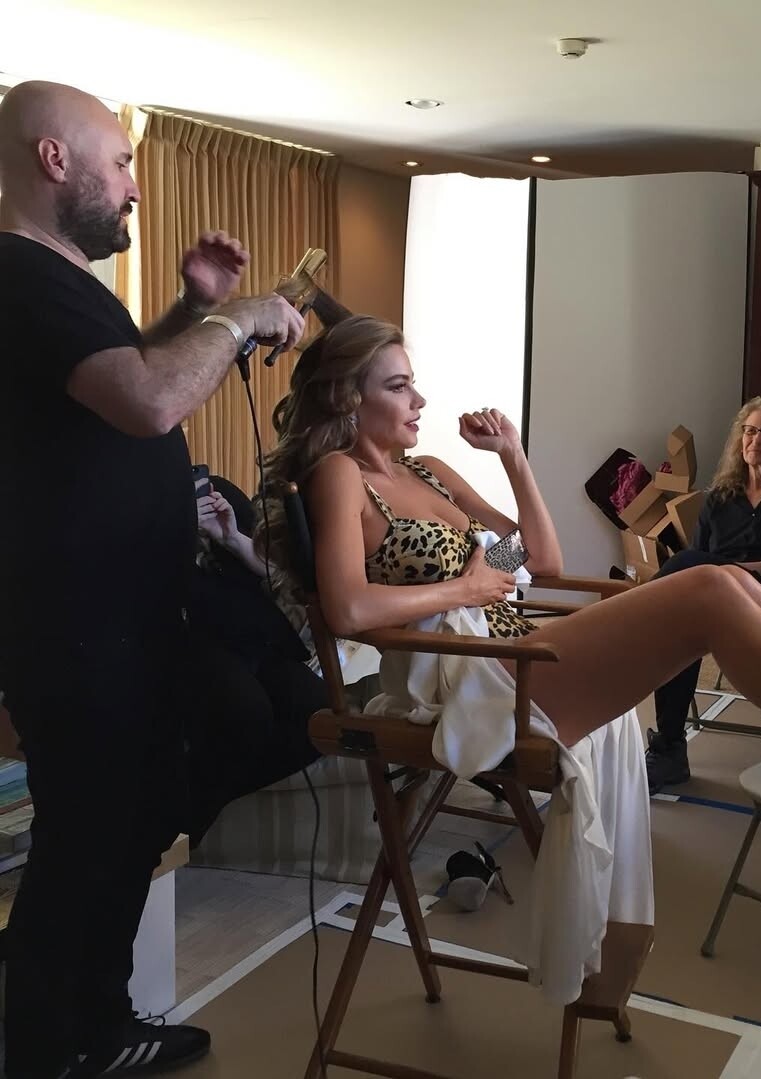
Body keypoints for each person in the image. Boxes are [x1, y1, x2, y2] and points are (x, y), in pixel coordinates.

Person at [260, 315, 761, 830]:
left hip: (514, 650)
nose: (419, 398)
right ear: (347, 396)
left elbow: (536, 560)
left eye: (413, 381)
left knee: (730, 585)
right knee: (713, 589)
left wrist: (513, 458)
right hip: (475, 683)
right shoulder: (340, 476)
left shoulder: (431, 471)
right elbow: (348, 608)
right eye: (399, 385)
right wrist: (467, 588)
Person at [0, 81, 304, 1078]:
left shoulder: (58, 282)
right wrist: (240, 319)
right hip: (79, 631)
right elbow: (147, 399)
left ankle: (98, 1020)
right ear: (55, 160)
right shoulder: (19, 271)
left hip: (119, 622)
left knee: (127, 825)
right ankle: (51, 1046)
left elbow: (116, 373)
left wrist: (193, 309)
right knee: (88, 837)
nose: (135, 185)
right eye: (123, 161)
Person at [643, 397, 761, 793]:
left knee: (688, 569)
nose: (756, 440)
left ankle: (636, 616)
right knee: (678, 629)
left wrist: (729, 572)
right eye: (750, 431)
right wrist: (716, 575)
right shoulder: (719, 497)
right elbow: (696, 566)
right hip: (717, 604)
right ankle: (670, 749)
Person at [184, 476, 325, 846]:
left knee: (321, 719)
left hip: (256, 634)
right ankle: (178, 829)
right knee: (246, 713)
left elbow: (275, 573)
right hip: (190, 639)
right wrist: (179, 529)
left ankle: (188, 806)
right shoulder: (139, 506)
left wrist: (231, 537)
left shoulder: (218, 491)